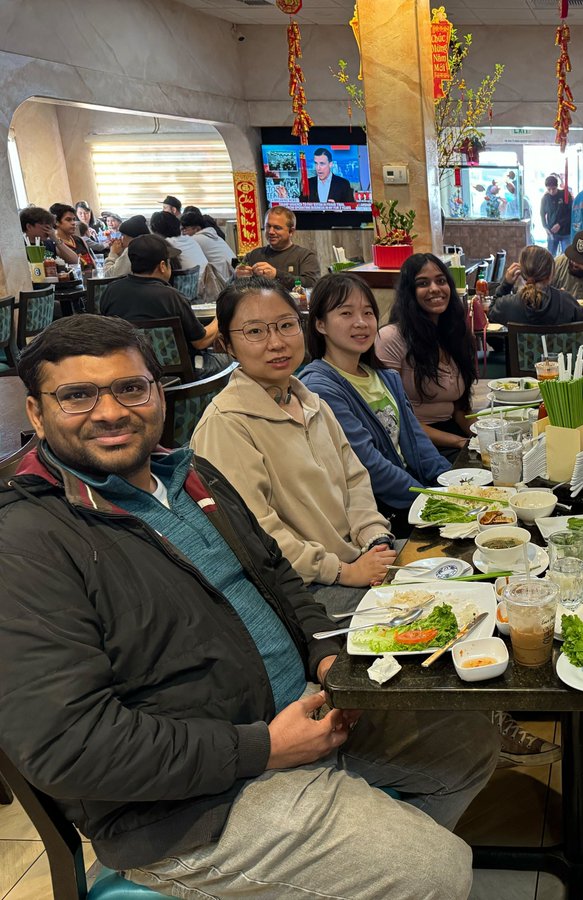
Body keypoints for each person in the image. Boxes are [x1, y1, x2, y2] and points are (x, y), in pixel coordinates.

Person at [0, 314, 496, 899]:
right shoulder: (27, 541)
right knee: (433, 869)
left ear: (157, 392)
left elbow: (277, 578)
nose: (110, 412)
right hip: (189, 803)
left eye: (130, 388)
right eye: (77, 396)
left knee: (468, 745)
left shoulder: (189, 476)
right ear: (36, 413)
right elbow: (70, 746)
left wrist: (324, 657)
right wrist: (264, 748)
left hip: (299, 716)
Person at [189, 277, 397, 610]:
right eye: (255, 331)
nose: (277, 343)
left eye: (286, 325)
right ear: (227, 345)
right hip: (307, 590)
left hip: (360, 559)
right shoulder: (226, 424)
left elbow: (355, 480)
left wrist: (374, 536)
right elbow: (256, 531)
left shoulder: (311, 401)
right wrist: (342, 571)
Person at [299, 272, 450, 517]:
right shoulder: (320, 386)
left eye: (368, 313)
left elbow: (419, 442)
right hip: (376, 514)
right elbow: (369, 465)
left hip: (413, 497)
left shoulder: (385, 377)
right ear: (320, 324)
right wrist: (431, 500)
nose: (361, 322)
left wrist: (452, 483)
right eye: (346, 313)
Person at [376, 253, 477, 455]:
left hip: (453, 434)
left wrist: (482, 438)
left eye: (441, 281)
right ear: (409, 292)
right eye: (423, 283)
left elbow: (460, 410)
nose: (434, 289)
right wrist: (459, 442)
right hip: (416, 444)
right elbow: (395, 418)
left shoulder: (455, 334)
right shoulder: (391, 338)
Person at [98, 234, 230, 378]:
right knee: (232, 361)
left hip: (129, 373)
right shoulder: (172, 297)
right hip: (183, 378)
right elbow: (201, 341)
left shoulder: (110, 291)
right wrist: (220, 316)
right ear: (162, 266)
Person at [492, 244, 583, 328]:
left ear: (521, 272)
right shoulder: (565, 301)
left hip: (520, 351)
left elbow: (491, 314)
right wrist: (561, 295)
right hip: (560, 350)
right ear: (550, 275)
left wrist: (506, 285)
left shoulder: (508, 304)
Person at [235, 207, 320, 289]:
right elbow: (231, 287)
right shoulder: (254, 255)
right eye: (268, 226)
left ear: (291, 231)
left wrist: (276, 275)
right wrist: (236, 276)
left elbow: (311, 283)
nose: (271, 232)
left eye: (277, 228)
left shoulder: (305, 256)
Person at [180, 208, 235, 281]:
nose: (182, 232)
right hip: (232, 276)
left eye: (185, 229)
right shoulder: (214, 236)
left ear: (197, 229)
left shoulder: (195, 239)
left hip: (222, 282)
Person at [49, 202, 95, 270]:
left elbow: (93, 264)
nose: (73, 223)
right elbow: (76, 262)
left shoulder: (79, 240)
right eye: (68, 220)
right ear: (56, 222)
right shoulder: (56, 244)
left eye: (74, 219)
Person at [103, 214, 150, 279]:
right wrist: (120, 253)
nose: (120, 238)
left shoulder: (132, 250)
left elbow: (109, 275)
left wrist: (113, 253)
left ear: (131, 237)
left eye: (122, 235)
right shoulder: (147, 245)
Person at [541, 174, 572, 257]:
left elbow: (571, 213)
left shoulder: (565, 195)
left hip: (566, 232)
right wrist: (545, 227)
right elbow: (542, 214)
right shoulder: (545, 198)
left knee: (567, 256)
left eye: (553, 189)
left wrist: (560, 224)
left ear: (557, 186)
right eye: (549, 189)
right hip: (552, 232)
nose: (551, 191)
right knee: (550, 256)